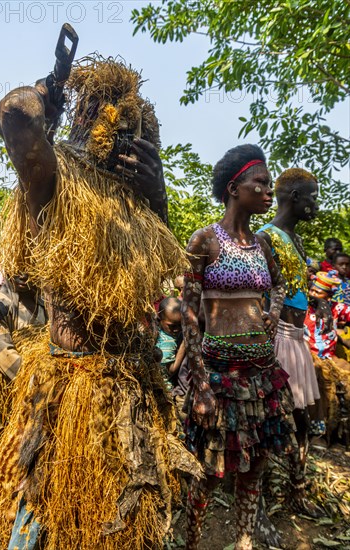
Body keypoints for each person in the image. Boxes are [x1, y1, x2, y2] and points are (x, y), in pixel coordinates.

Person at [0, 56, 200, 549]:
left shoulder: (140, 215)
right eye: (105, 116)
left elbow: (169, 266)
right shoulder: (55, 188)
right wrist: (52, 90)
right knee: (46, 522)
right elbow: (15, 116)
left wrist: (159, 194)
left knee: (131, 527)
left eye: (136, 126)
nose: (123, 129)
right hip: (68, 394)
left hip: (133, 392)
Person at [182, 144, 296, 550]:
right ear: (234, 187)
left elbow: (280, 285)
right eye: (260, 184)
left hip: (262, 377)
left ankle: (244, 540)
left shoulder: (263, 245)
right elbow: (189, 314)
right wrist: (200, 385)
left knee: (255, 470)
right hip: (220, 377)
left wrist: (273, 312)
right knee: (211, 473)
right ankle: (193, 539)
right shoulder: (204, 241)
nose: (268, 192)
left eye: (269, 185)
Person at [258, 168, 324, 521]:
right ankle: (262, 503)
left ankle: (297, 488)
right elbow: (260, 298)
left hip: (297, 341)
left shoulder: (295, 241)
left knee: (301, 417)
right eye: (312, 195)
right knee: (273, 418)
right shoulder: (264, 237)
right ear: (294, 197)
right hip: (277, 339)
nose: (316, 202)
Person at [0, 275, 47, 473]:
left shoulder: (45, 304)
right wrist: (34, 379)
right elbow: (1, 353)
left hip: (35, 398)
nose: (23, 275)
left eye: (29, 268)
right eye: (18, 268)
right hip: (6, 396)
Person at [304, 270, 350, 442]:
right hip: (309, 355)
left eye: (318, 292)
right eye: (312, 290)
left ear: (328, 296)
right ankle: (317, 429)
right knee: (318, 379)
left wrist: (344, 335)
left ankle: (339, 431)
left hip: (330, 358)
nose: (313, 294)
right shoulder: (305, 309)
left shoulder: (337, 308)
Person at [156, 297, 184, 392]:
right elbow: (171, 370)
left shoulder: (158, 331)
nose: (177, 329)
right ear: (160, 319)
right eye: (172, 326)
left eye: (181, 324)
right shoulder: (168, 342)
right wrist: (184, 344)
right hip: (165, 389)